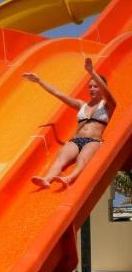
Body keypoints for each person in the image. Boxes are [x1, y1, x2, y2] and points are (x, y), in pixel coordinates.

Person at [26, 58, 117, 188]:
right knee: (60, 160)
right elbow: (58, 94)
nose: (92, 89)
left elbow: (107, 92)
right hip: (75, 140)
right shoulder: (81, 105)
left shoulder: (108, 105)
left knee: (82, 159)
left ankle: (69, 178)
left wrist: (91, 72)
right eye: (90, 86)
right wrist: (39, 81)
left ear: (102, 87)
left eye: (96, 86)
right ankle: (47, 179)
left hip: (93, 141)